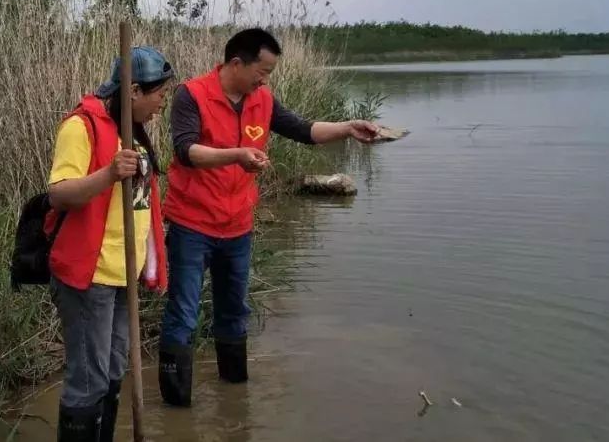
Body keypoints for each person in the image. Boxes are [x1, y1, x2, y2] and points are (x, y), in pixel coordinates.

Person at [157, 28, 380, 407]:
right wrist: (237, 154)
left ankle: (234, 402)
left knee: (234, 311)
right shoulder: (191, 94)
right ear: (236, 63)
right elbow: (185, 151)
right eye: (263, 71)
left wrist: (347, 128)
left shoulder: (262, 99)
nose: (265, 80)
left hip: (238, 226)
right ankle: (177, 411)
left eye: (270, 73)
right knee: (183, 310)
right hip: (191, 225)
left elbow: (303, 129)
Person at [46, 46, 174, 442]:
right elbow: (59, 193)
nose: (161, 104)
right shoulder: (81, 126)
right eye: (159, 95)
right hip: (90, 275)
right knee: (89, 378)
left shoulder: (131, 129)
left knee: (114, 369)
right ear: (134, 90)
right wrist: (108, 173)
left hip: (124, 276)